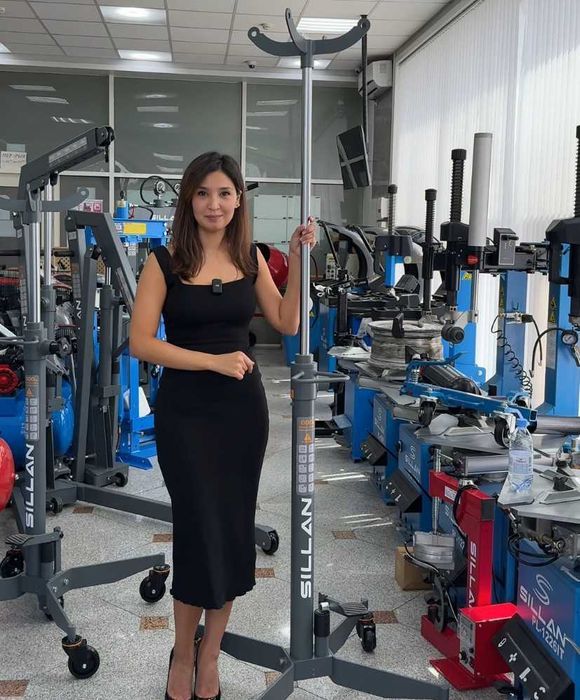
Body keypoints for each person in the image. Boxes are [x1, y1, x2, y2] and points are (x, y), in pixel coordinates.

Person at [129, 151, 316, 700]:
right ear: (190, 200)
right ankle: (182, 654)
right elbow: (141, 343)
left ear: (238, 201)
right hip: (185, 414)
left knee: (232, 530)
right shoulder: (164, 262)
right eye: (204, 193)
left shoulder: (251, 258)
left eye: (225, 193)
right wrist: (212, 361)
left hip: (240, 416)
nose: (215, 204)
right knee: (197, 530)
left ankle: (209, 654)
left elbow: (286, 322)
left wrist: (296, 261)